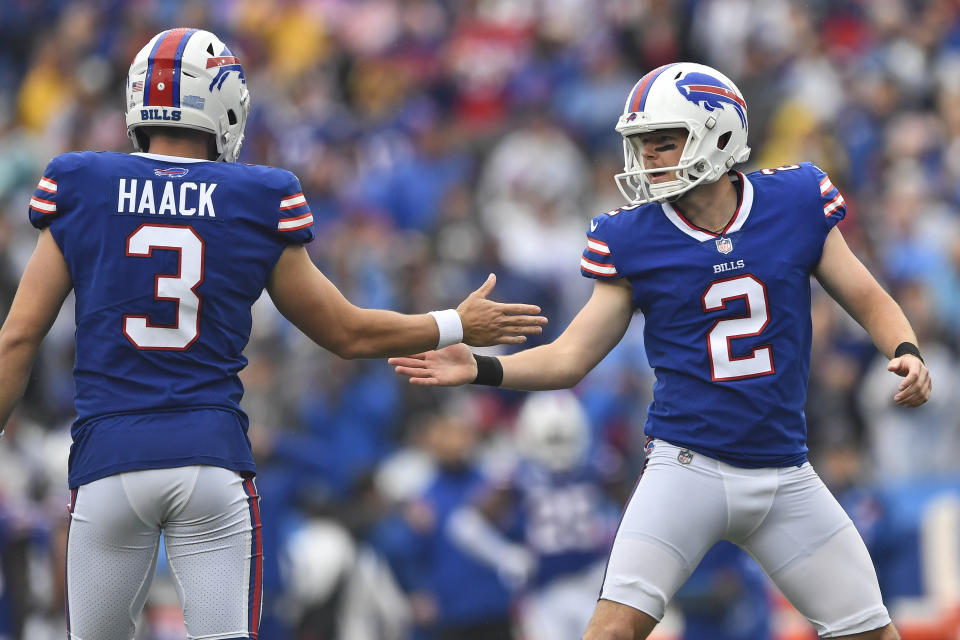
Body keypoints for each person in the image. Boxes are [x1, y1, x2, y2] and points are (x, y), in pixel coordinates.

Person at [0, 28, 546, 640]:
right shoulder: (259, 195)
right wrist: (454, 322)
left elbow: (18, 339)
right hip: (208, 463)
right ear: (225, 104)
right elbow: (346, 332)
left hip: (107, 461)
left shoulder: (82, 182)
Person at [389, 61, 932, 640]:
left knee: (871, 634)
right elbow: (570, 357)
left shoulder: (795, 201)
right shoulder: (633, 237)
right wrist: (481, 367)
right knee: (610, 633)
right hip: (687, 467)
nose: (647, 157)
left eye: (663, 142)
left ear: (720, 135)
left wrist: (905, 348)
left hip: (785, 473)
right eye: (642, 144)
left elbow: (869, 297)